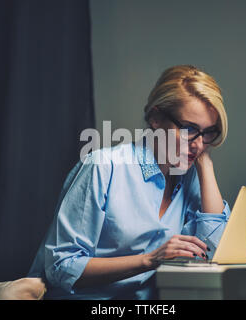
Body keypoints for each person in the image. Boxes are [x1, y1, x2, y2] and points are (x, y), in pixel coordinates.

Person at [28, 65, 231, 299]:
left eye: (209, 133)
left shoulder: (189, 176)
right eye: (188, 129)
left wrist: (206, 166)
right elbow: (61, 267)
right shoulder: (103, 166)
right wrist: (149, 260)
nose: (198, 144)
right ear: (155, 117)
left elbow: (212, 252)